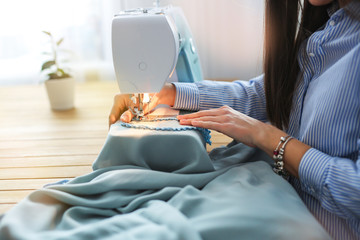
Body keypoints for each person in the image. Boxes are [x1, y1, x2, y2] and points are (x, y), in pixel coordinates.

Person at [109, 0, 360, 239]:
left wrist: (268, 138)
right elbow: (263, 94)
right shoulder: (329, 27)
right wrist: (168, 93)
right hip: (281, 202)